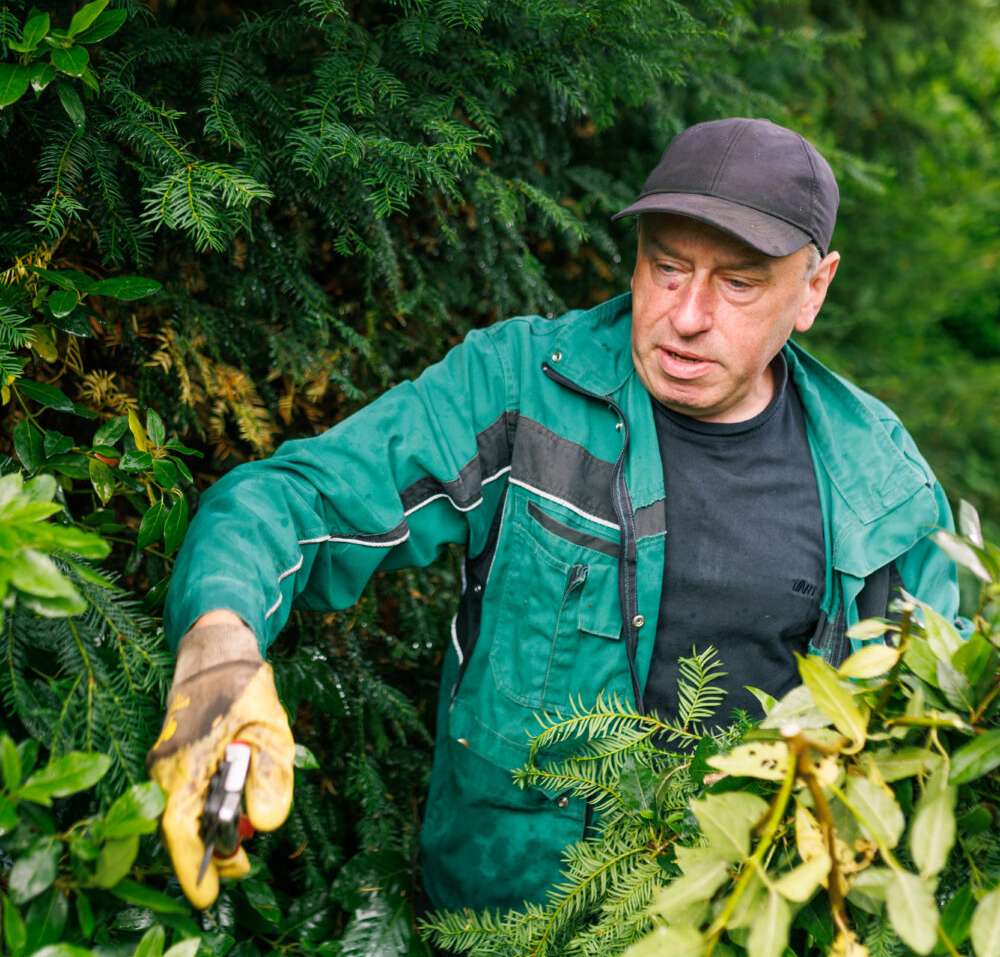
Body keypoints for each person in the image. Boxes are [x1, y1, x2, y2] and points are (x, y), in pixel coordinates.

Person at [146, 117, 960, 913]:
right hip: (504, 924)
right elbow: (291, 499)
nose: (687, 315)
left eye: (740, 283)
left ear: (813, 289)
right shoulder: (521, 389)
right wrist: (218, 648)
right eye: (667, 267)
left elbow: (923, 733)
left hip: (739, 927)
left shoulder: (876, 484)